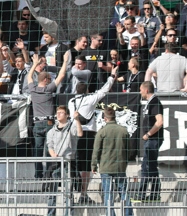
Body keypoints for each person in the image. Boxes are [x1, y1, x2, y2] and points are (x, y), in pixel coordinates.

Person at [67, 64, 118, 204]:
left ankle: (73, 194)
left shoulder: (71, 102)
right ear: (88, 90)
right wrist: (112, 75)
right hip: (88, 135)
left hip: (74, 134)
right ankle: (83, 193)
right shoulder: (90, 99)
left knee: (75, 164)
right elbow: (105, 90)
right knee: (87, 166)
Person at [28, 53, 68, 179]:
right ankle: (50, 174)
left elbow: (29, 76)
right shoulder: (48, 89)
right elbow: (61, 75)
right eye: (49, 79)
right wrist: (66, 61)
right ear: (45, 80)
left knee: (38, 151)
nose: (50, 81)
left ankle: (38, 174)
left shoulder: (32, 89)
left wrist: (34, 64)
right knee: (50, 149)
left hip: (37, 124)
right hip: (49, 124)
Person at [91, 107, 133, 216]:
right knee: (124, 192)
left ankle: (110, 214)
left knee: (108, 194)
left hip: (106, 167)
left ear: (105, 118)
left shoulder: (102, 132)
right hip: (120, 167)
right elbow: (129, 150)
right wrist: (125, 161)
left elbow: (96, 150)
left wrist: (94, 165)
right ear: (115, 116)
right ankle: (128, 214)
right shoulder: (123, 130)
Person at [46, 106, 83, 216]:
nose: (58, 114)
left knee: (68, 192)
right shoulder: (51, 131)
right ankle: (51, 213)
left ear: (67, 115)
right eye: (57, 112)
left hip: (68, 162)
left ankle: (69, 214)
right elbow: (50, 146)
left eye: (61, 112)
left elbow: (80, 133)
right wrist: (54, 155)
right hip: (56, 162)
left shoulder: (71, 127)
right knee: (52, 191)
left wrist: (77, 119)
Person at [134, 81, 164, 203]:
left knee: (146, 167)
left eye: (141, 89)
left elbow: (159, 122)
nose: (140, 92)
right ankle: (155, 194)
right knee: (151, 167)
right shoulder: (150, 102)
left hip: (153, 140)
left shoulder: (155, 102)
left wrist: (148, 134)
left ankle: (141, 195)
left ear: (146, 90)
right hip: (151, 140)